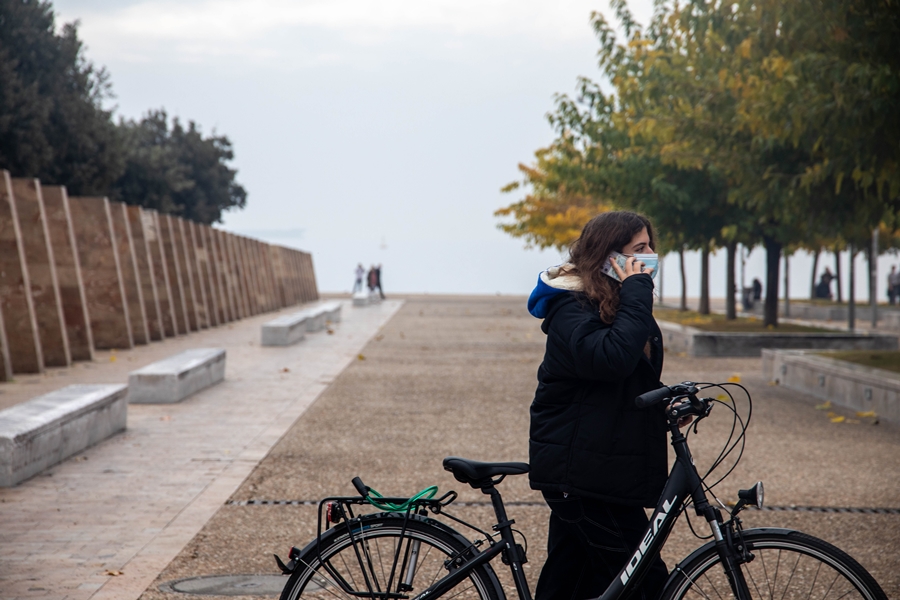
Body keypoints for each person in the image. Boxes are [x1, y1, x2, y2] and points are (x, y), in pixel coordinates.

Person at [526, 211, 688, 600]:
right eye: (639, 249)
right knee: (642, 581)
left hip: (601, 468)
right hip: (582, 474)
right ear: (609, 256)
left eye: (650, 246)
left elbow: (625, 376)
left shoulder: (610, 303)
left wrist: (665, 399)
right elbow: (610, 358)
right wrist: (637, 290)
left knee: (571, 582)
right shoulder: (572, 307)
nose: (649, 255)